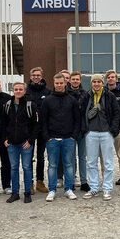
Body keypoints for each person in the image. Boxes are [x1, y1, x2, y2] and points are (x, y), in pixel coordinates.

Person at [41, 73, 80, 202]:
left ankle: (68, 189)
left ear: (65, 83)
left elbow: (77, 119)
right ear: (54, 83)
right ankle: (52, 190)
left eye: (61, 83)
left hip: (69, 138)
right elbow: (43, 120)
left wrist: (74, 136)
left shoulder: (72, 100)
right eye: (56, 83)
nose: (59, 85)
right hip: (52, 139)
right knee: (52, 165)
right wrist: (47, 136)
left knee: (69, 165)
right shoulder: (47, 100)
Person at [81, 74, 120, 201]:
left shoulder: (109, 96)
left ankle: (107, 188)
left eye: (98, 81)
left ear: (102, 83)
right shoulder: (86, 96)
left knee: (108, 163)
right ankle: (94, 188)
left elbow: (116, 113)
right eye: (94, 82)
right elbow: (82, 114)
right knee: (91, 162)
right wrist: (85, 130)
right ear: (91, 83)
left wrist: (112, 130)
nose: (96, 84)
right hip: (91, 133)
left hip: (106, 133)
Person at [3, 82, 40, 203]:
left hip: (26, 143)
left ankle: (27, 193)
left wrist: (30, 140)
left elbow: (36, 125)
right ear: (13, 91)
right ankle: (15, 193)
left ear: (24, 91)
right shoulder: (8, 105)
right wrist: (5, 138)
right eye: (16, 89)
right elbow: (4, 124)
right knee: (13, 168)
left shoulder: (31, 105)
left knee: (27, 167)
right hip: (12, 143)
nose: (18, 91)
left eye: (20, 89)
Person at [26, 67, 51, 194]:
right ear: (30, 77)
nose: (36, 77)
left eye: (38, 75)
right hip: (29, 130)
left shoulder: (47, 92)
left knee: (40, 156)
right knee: (29, 157)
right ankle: (29, 183)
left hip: (42, 129)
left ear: (41, 76)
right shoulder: (25, 91)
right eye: (33, 75)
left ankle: (40, 182)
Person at [66, 71, 90, 192]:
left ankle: (84, 181)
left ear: (80, 81)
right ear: (69, 80)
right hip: (69, 130)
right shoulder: (65, 94)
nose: (75, 81)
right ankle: (70, 181)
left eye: (77, 79)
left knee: (82, 157)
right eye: (73, 79)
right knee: (70, 158)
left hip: (82, 130)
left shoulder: (85, 94)